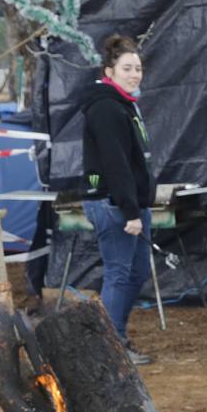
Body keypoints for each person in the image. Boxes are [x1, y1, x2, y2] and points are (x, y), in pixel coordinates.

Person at [79, 34, 155, 365]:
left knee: (137, 272)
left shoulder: (125, 104)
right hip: (114, 205)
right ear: (110, 70)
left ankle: (117, 336)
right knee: (119, 273)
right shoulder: (106, 107)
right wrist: (130, 211)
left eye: (138, 68)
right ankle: (108, 349)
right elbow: (115, 163)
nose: (134, 74)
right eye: (127, 68)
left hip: (133, 204)